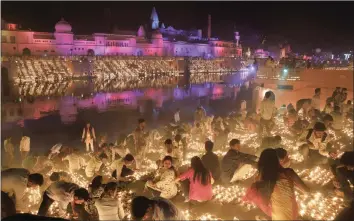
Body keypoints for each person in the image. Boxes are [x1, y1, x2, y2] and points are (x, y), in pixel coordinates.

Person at [243, 149, 310, 220]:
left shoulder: (261, 179)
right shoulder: (289, 172)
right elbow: (306, 190)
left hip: (278, 215)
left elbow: (264, 201)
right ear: (276, 160)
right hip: (293, 212)